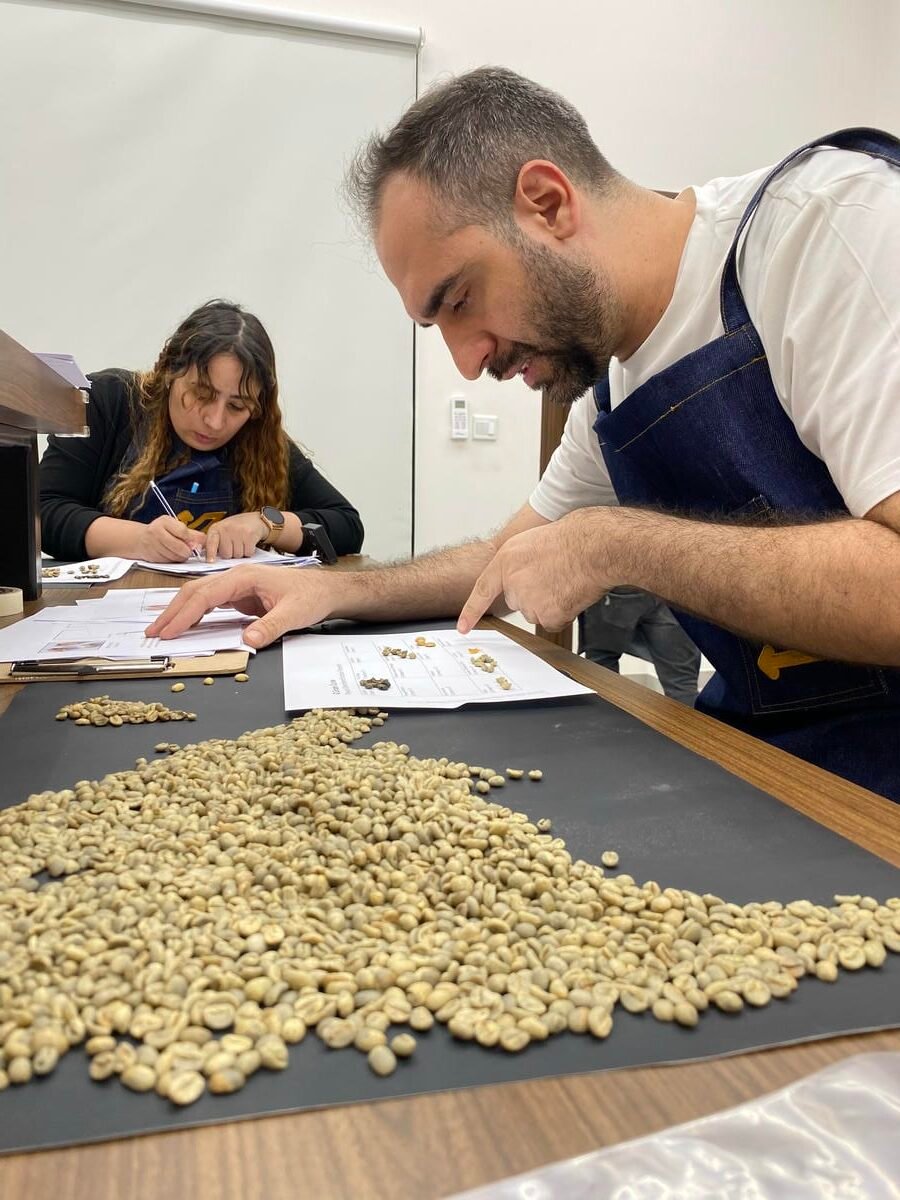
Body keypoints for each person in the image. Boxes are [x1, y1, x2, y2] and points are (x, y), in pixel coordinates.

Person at [148, 70, 900, 800]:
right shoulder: (612, 396)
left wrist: (617, 542)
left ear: (547, 203)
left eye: (460, 299)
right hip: (781, 768)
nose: (467, 362)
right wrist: (329, 591)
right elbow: (505, 561)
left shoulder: (827, 229)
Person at [40, 300, 364, 564]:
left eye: (236, 406)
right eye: (201, 394)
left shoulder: (259, 441)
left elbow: (347, 526)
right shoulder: (107, 402)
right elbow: (41, 512)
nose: (215, 421)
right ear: (170, 371)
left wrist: (265, 524)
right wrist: (138, 540)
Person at [580, 589, 700, 705]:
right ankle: (690, 719)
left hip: (619, 587)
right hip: (672, 587)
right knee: (682, 682)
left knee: (602, 671)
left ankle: (606, 717)